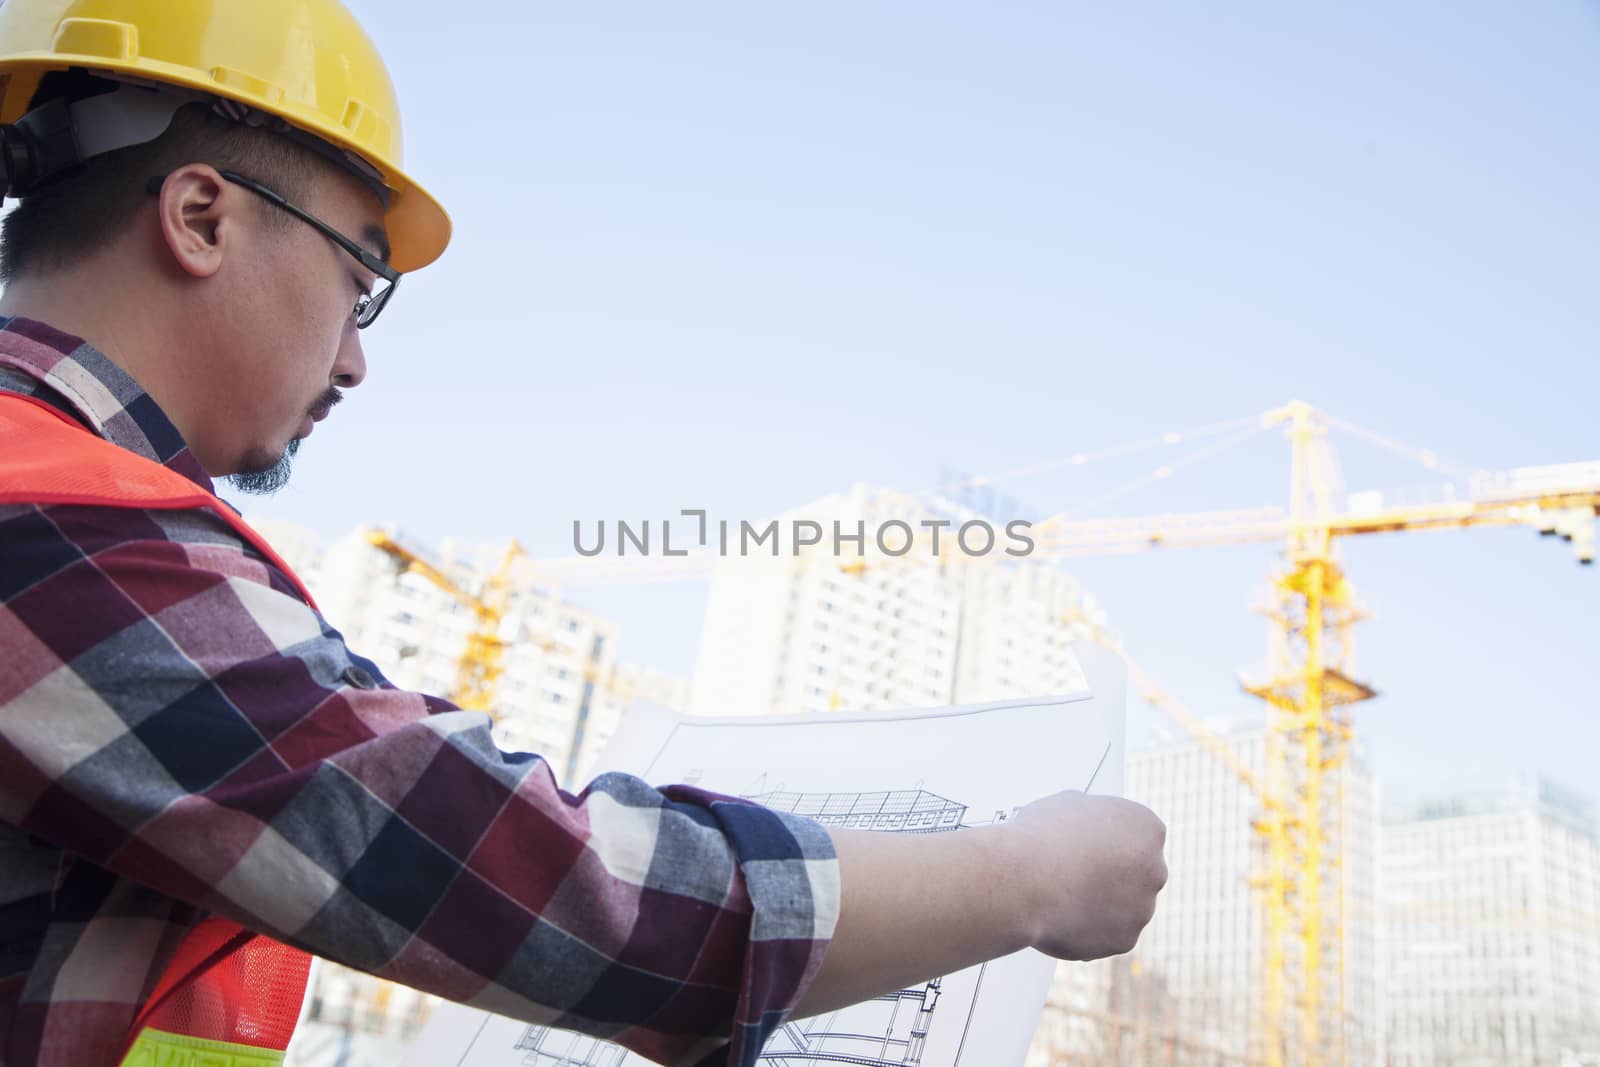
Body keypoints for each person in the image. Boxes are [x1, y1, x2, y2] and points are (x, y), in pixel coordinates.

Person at [0, 2, 1168, 1065]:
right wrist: (1030, 874)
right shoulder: (50, 518)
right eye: (362, 281)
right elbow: (542, 886)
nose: (356, 360)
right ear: (201, 216)